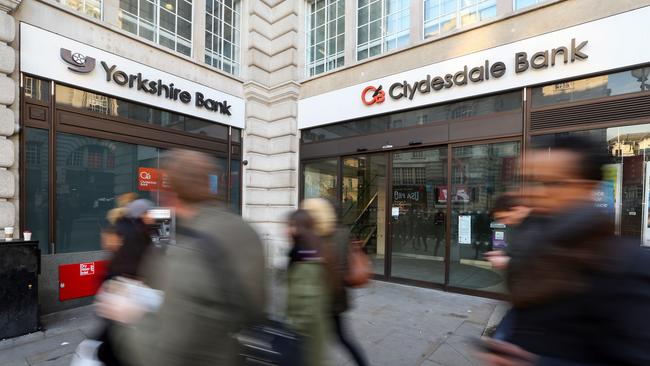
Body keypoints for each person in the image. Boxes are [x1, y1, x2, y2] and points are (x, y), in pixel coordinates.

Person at [481, 135, 650, 366]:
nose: (535, 194)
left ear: (589, 187)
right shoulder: (536, 244)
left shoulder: (627, 265)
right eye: (530, 181)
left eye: (552, 184)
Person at [97, 149, 266, 366]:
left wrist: (128, 317)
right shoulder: (245, 231)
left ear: (171, 194)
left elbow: (160, 355)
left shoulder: (187, 253)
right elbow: (255, 310)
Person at [302, 198, 370, 366]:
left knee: (314, 340)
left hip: (323, 298)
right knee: (342, 338)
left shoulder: (319, 235)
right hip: (337, 297)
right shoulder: (344, 232)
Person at [286, 208, 333, 366]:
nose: (286, 229)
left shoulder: (305, 255)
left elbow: (307, 297)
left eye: (290, 225)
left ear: (300, 228)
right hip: (313, 330)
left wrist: (294, 327)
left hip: (307, 334)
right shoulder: (308, 249)